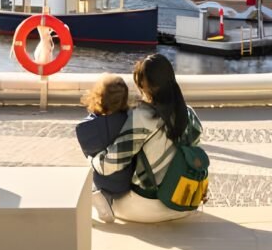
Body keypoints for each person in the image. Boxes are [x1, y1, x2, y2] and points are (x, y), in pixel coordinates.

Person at [89, 54, 203, 224]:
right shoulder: (189, 113)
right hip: (184, 204)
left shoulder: (144, 116)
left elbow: (112, 164)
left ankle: (102, 199)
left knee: (95, 164)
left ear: (144, 85)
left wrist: (93, 160)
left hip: (148, 206)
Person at [76, 74, 133, 207]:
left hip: (103, 182)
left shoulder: (84, 128)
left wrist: (96, 111)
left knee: (92, 162)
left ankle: (101, 195)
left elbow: (89, 155)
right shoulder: (132, 119)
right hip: (129, 181)